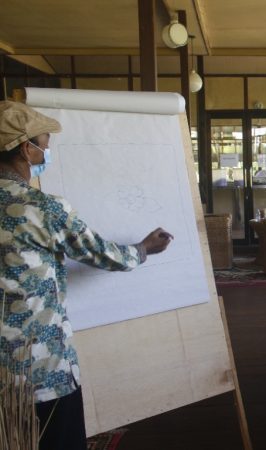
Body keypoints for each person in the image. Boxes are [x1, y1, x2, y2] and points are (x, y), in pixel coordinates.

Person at [0, 101, 172, 450]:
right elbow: (101, 253)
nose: (46, 154)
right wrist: (143, 249)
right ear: (25, 149)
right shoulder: (41, 207)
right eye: (44, 146)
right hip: (41, 372)